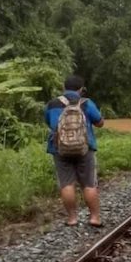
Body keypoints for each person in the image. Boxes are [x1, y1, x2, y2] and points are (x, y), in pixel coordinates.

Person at [44, 74, 105, 227]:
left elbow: (50, 124)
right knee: (89, 184)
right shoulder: (86, 103)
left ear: (63, 88)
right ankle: (94, 218)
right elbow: (99, 123)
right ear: (81, 89)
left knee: (66, 184)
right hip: (85, 148)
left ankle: (72, 219)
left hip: (60, 149)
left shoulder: (52, 104)